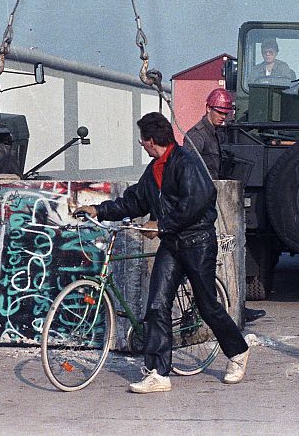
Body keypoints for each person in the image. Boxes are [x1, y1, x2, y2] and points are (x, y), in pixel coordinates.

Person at [73, 112, 251, 394]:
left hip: (197, 243)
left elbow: (197, 201)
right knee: (156, 305)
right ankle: (158, 373)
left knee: (207, 305)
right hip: (171, 244)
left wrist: (161, 224)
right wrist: (99, 210)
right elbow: (134, 201)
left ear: (151, 140)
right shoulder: (154, 169)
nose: (141, 144)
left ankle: (238, 352)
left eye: (142, 140)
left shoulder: (186, 163)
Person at [186, 89, 266, 323]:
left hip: (220, 200)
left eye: (226, 113)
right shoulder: (196, 136)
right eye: (220, 112)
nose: (223, 116)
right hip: (205, 205)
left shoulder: (217, 134)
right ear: (208, 109)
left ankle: (237, 307)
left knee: (231, 256)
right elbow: (189, 173)